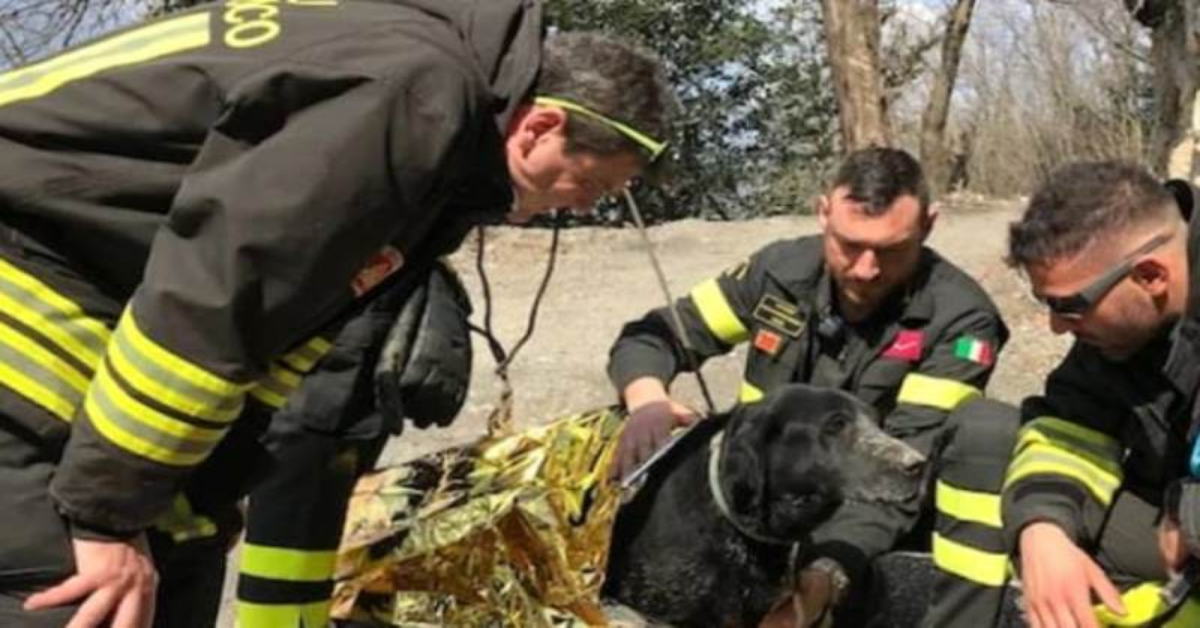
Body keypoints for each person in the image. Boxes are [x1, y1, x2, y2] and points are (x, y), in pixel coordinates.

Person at [0, 0, 676, 624]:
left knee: (179, 565)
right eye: (589, 182)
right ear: (540, 126)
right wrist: (107, 518)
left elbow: (276, 339)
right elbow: (219, 298)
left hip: (88, 276)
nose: (585, 207)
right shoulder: (413, 97)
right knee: (83, 595)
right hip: (29, 270)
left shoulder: (442, 137)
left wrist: (199, 504)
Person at [607, 147, 1013, 627]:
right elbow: (656, 336)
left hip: (872, 519)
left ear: (928, 225)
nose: (866, 268)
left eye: (890, 250)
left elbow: (904, 475)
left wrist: (824, 579)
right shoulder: (780, 272)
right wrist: (647, 400)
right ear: (823, 213)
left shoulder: (959, 319)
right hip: (760, 506)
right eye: (849, 245)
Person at [1001, 161, 1200, 628]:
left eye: (1068, 306)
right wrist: (1042, 530)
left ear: (1151, 276)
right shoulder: (1121, 327)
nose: (1054, 327)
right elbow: (1071, 426)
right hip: (1171, 525)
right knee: (988, 442)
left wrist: (1190, 515)